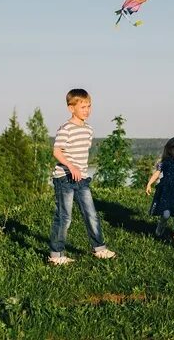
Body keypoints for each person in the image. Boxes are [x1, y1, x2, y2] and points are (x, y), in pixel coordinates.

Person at [48, 88, 116, 265]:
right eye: (83, 107)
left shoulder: (88, 130)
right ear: (71, 108)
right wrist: (70, 166)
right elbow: (57, 151)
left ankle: (99, 248)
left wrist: (81, 171)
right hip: (64, 178)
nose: (87, 110)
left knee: (91, 213)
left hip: (82, 179)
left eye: (89, 106)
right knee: (65, 217)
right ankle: (56, 255)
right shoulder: (66, 129)